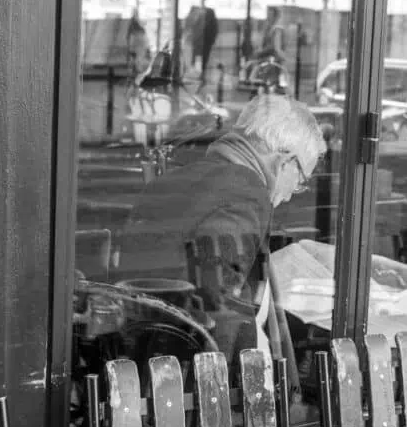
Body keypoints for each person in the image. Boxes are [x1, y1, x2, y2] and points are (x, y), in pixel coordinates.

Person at [114, 94, 325, 387]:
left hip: (140, 360)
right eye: (300, 180)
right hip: (184, 379)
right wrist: (220, 393)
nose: (291, 194)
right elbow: (221, 302)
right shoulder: (246, 194)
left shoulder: (170, 181)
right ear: (285, 162)